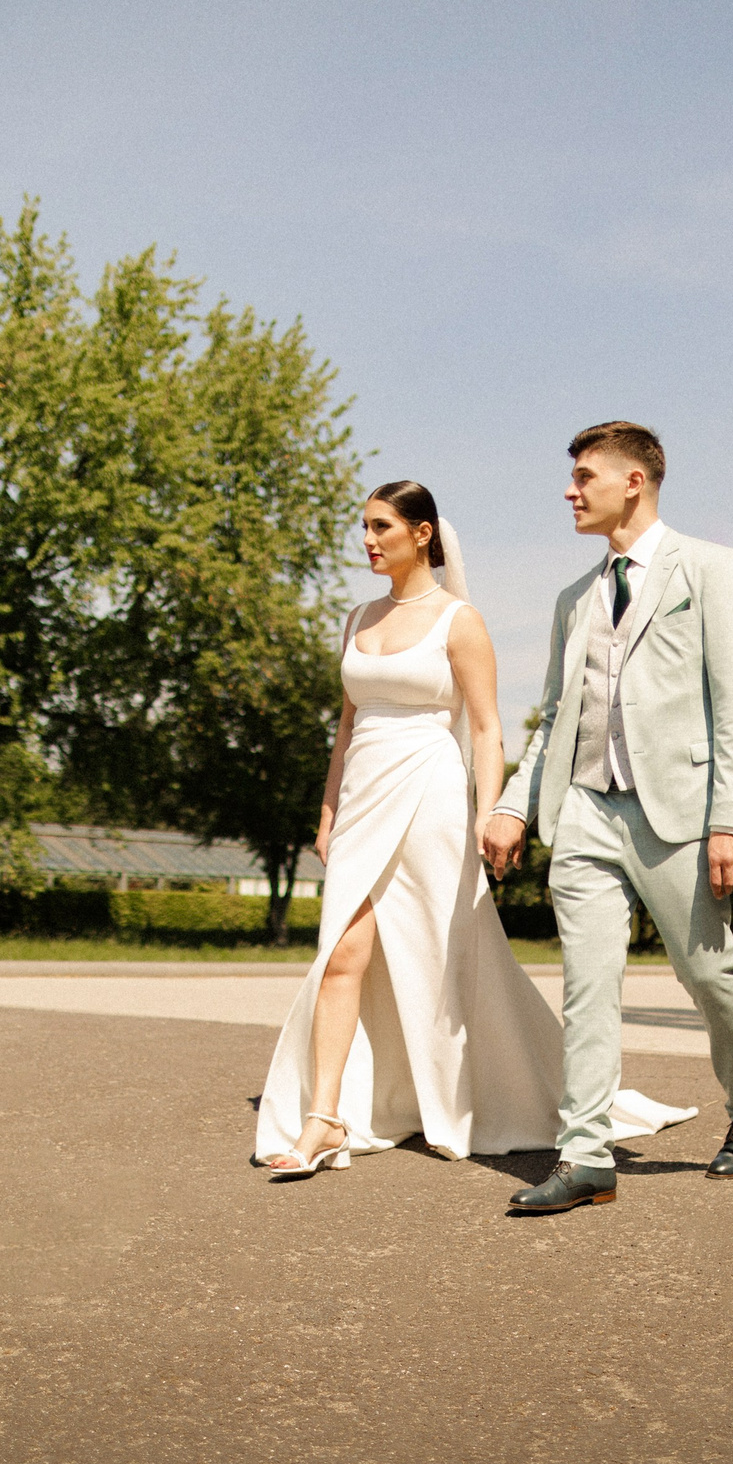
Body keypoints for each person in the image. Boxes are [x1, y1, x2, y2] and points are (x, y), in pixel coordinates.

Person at [253, 480, 695, 1179]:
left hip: (430, 795)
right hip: (363, 797)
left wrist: (492, 812)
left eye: (380, 526)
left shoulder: (459, 621)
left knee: (445, 955)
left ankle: (459, 1096)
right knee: (341, 953)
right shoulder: (357, 618)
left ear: (422, 533)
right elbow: (346, 727)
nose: (367, 541)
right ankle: (324, 1117)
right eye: (364, 527)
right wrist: (329, 810)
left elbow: (487, 729)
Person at [479, 421, 733, 1214]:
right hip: (583, 809)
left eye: (585, 476)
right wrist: (513, 803)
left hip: (679, 811)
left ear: (633, 481)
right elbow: (555, 717)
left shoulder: (710, 568)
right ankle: (585, 1155)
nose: (570, 491)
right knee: (587, 985)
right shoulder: (573, 599)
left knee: (706, 972)